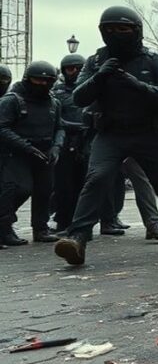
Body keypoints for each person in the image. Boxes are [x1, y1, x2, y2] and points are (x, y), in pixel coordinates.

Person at [54, 6, 158, 267]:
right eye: (110, 30)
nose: (117, 34)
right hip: (110, 133)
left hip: (148, 132)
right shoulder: (95, 62)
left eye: (123, 29)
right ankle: (77, 238)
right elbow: (79, 97)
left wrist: (137, 86)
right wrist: (100, 77)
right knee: (96, 178)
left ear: (136, 31)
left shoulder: (154, 60)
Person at [0, 61, 63, 246]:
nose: (42, 84)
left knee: (44, 191)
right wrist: (26, 147)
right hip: (17, 154)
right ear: (28, 79)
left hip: (45, 153)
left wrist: (56, 147)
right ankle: (4, 228)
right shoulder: (12, 100)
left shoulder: (54, 103)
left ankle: (41, 228)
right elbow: (2, 128)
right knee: (19, 190)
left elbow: (60, 127)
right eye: (38, 80)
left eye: (47, 80)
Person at [51, 54, 88, 234]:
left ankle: (81, 223)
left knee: (85, 184)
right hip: (66, 141)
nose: (74, 72)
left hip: (87, 141)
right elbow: (56, 120)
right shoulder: (57, 93)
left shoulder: (92, 90)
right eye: (70, 69)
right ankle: (63, 221)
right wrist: (78, 126)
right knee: (64, 185)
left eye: (78, 68)